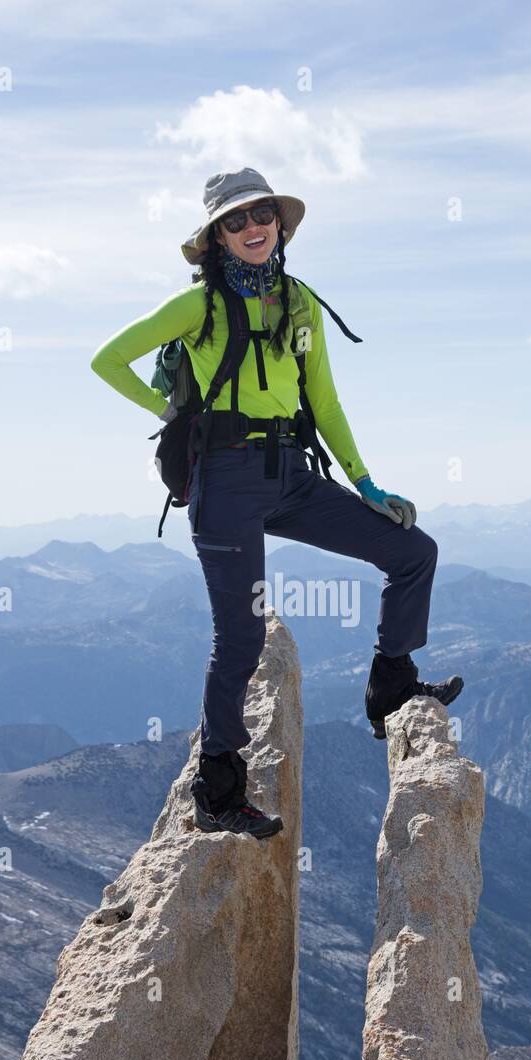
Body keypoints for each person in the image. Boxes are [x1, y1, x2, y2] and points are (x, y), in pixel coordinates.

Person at [91, 167, 463, 840]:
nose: (252, 227)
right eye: (235, 221)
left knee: (413, 551)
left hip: (291, 472)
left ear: (279, 224)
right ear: (215, 239)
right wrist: (176, 412)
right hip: (224, 478)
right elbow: (107, 359)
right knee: (242, 634)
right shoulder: (197, 305)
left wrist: (366, 484)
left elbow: (324, 400)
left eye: (261, 214)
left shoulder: (300, 304)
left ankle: (390, 688)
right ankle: (219, 788)